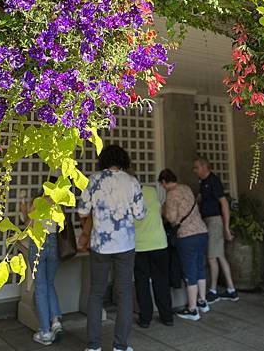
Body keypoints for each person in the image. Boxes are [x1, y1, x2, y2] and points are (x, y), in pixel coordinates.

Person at [78, 145, 146, 351]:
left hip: (100, 245)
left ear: (103, 160)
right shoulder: (132, 182)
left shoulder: (94, 179)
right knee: (124, 293)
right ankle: (120, 345)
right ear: (123, 160)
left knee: (96, 293)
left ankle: (93, 346)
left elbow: (82, 211)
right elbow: (141, 214)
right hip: (125, 245)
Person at [159, 168, 209, 321]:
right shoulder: (186, 188)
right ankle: (203, 302)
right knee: (200, 268)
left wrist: (164, 211)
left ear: (163, 182)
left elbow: (172, 218)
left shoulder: (171, 194)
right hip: (202, 231)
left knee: (190, 272)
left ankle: (192, 309)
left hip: (187, 236)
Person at [193, 157, 239, 303]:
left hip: (214, 221)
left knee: (212, 257)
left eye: (196, 167)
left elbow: (224, 204)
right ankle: (231, 289)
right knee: (219, 255)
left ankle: (213, 291)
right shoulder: (203, 183)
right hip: (207, 220)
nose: (194, 170)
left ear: (204, 167)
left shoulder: (214, 181)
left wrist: (226, 226)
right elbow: (199, 199)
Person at [22, 185, 63, 346]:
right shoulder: (57, 204)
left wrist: (24, 208)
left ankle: (45, 332)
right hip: (54, 242)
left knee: (40, 286)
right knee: (50, 283)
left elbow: (27, 224)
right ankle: (55, 321)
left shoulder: (37, 202)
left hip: (38, 243)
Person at [134, 183, 174, 328]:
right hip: (159, 242)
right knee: (161, 281)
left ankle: (145, 318)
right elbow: (161, 209)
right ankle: (167, 316)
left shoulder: (127, 194)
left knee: (142, 282)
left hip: (139, 245)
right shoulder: (152, 191)